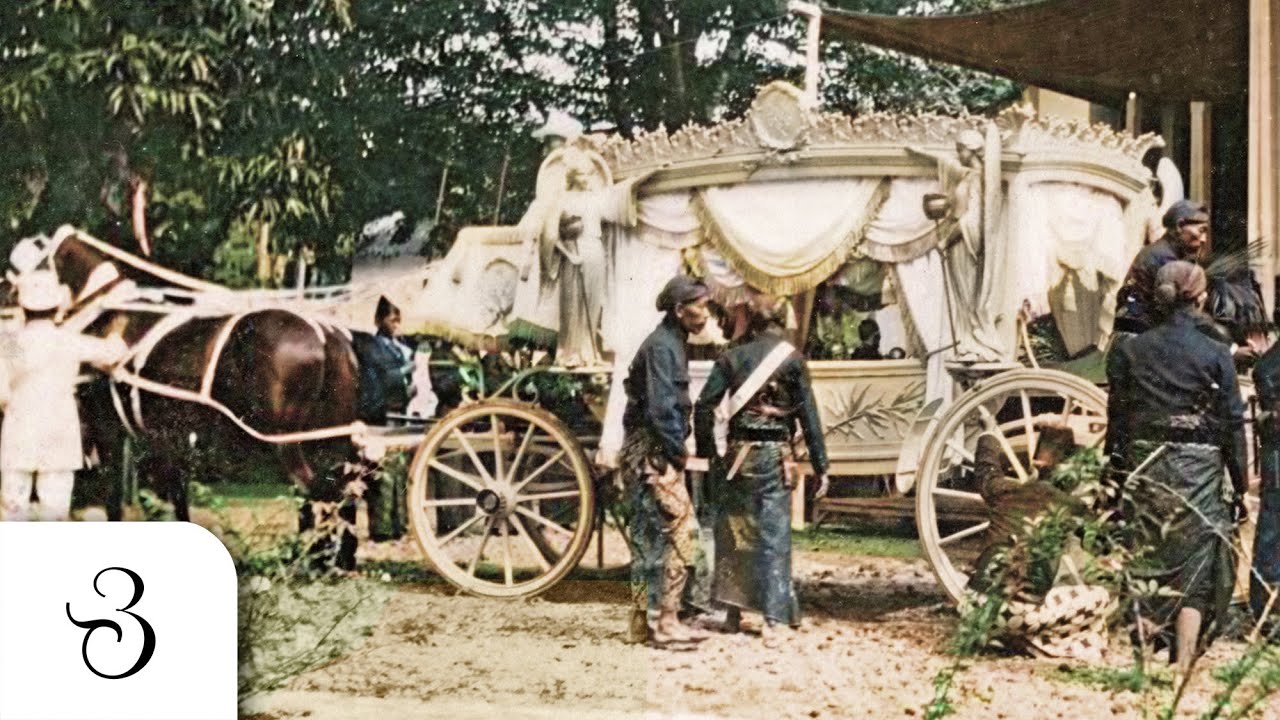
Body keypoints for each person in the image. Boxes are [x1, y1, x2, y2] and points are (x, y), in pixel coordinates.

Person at [1105, 260, 1246, 677]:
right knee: (1198, 561)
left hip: (1146, 465)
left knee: (1147, 553)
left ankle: (1142, 661)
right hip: (1199, 468)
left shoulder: (1130, 350)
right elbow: (1232, 425)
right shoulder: (1217, 353)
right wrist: (1238, 485)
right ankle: (1183, 662)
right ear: (1201, 299)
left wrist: (1113, 474)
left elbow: (1118, 419)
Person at [693, 290, 831, 647]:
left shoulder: (731, 357)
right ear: (781, 322)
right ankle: (773, 620)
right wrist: (821, 465)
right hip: (775, 456)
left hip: (737, 456)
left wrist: (712, 455)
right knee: (774, 536)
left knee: (735, 532)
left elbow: (704, 407)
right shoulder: (793, 360)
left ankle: (733, 615)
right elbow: (808, 416)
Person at [621, 274, 712, 646]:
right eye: (700, 306)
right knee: (684, 532)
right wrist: (678, 452)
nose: (705, 313)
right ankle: (668, 620)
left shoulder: (666, 342)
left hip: (643, 452)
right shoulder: (664, 347)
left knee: (644, 541)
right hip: (655, 455)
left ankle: (640, 623)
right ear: (680, 310)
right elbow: (662, 410)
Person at [0, 270, 126, 521]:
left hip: (18, 434)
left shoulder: (9, 343)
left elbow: (1, 393)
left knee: (12, 515)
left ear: (23, 308)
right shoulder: (68, 341)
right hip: (59, 435)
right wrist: (118, 329)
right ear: (57, 306)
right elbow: (113, 353)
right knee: (55, 515)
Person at [1114, 200, 1210, 335]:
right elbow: (1180, 314)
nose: (1204, 239)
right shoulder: (1165, 259)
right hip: (1142, 337)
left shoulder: (1160, 252)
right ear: (1180, 225)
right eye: (1201, 230)